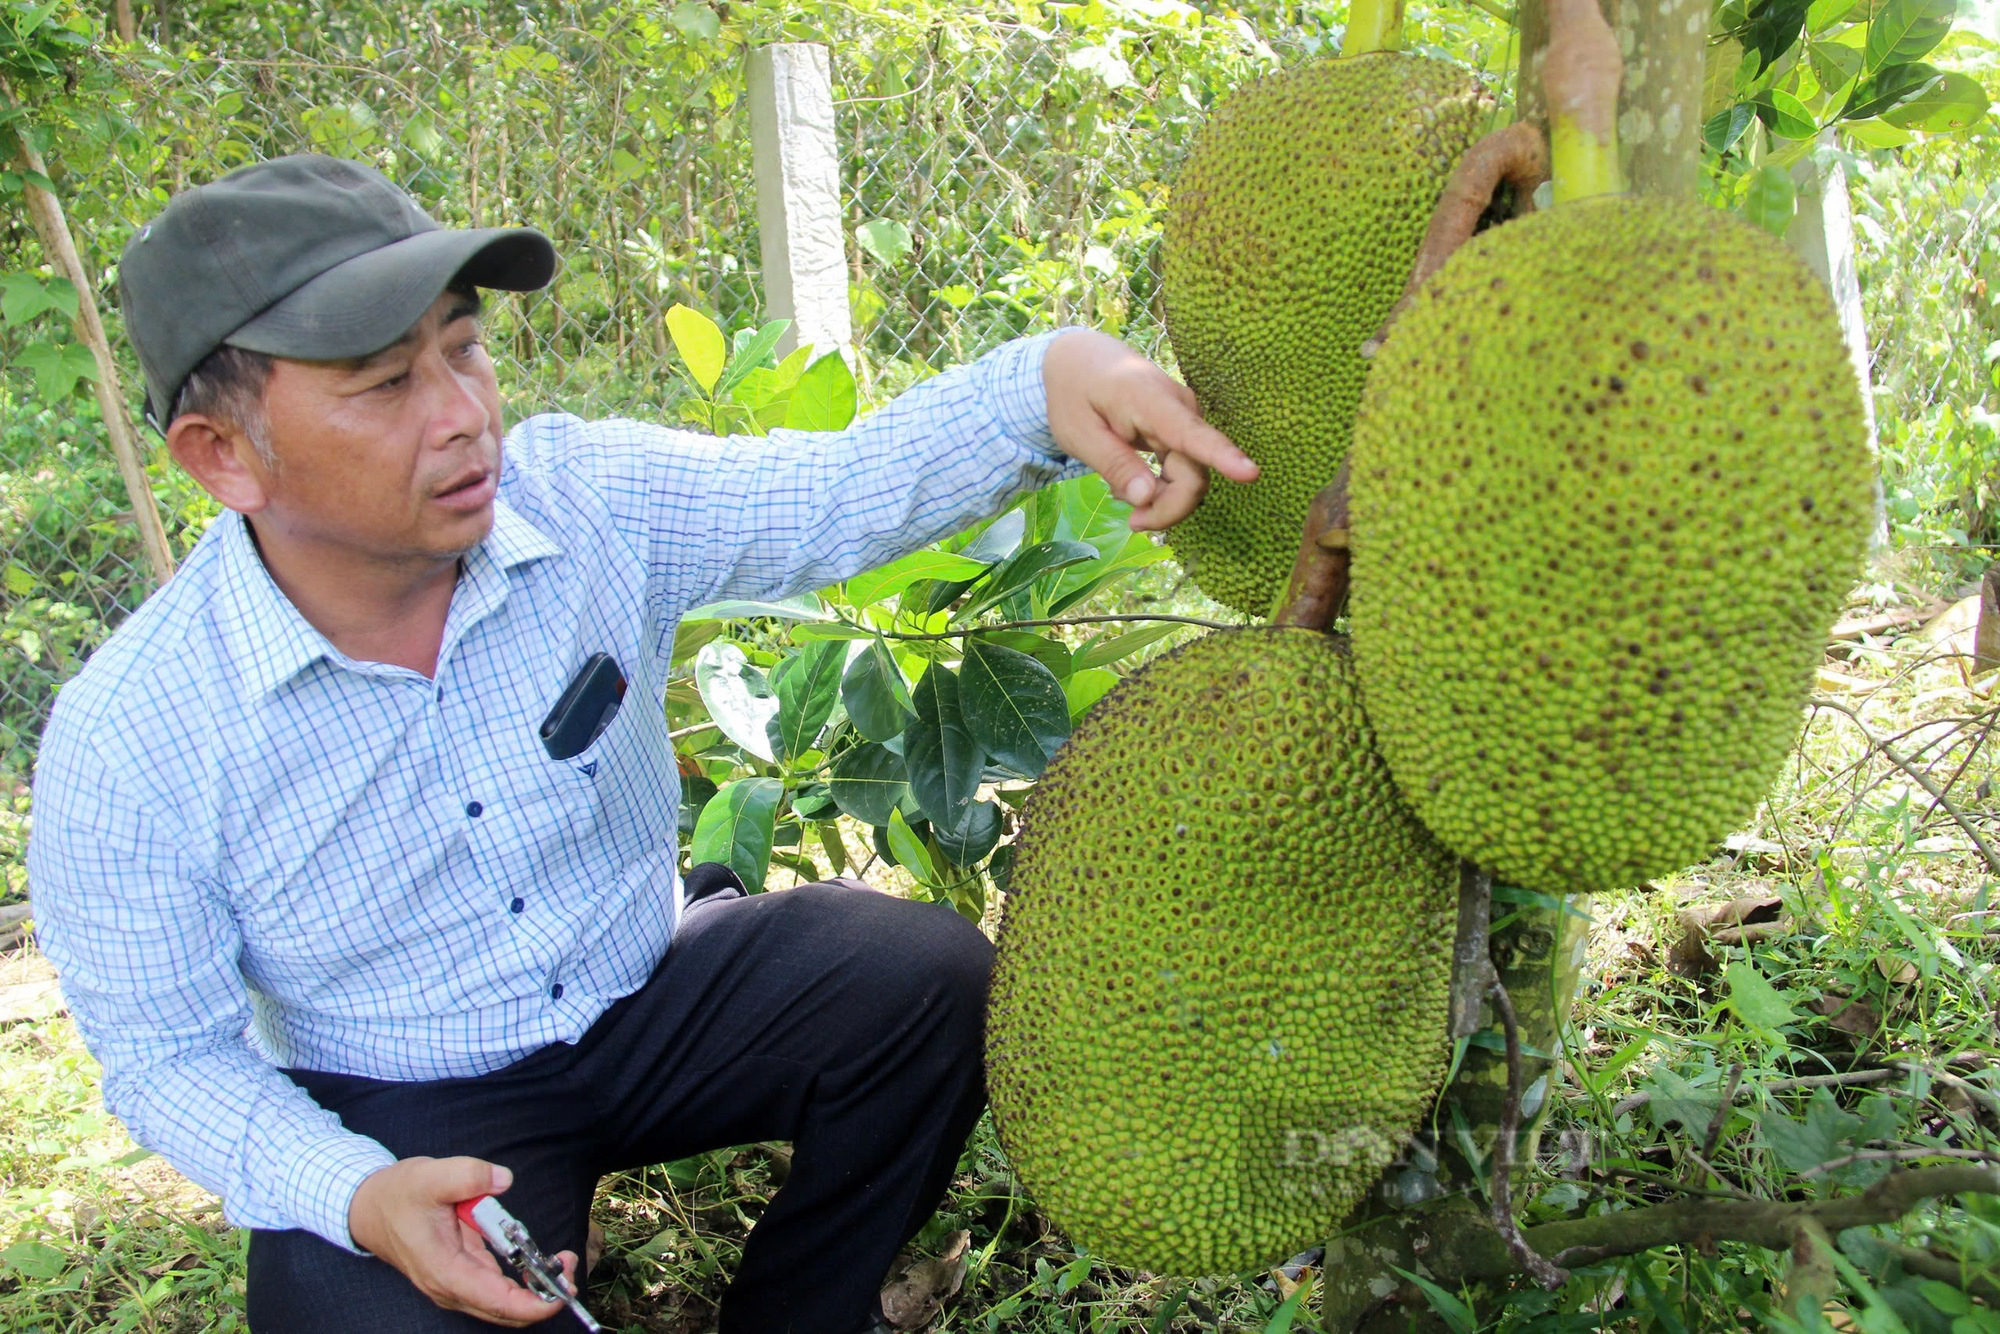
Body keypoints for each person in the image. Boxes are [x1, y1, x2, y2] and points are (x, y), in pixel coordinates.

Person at [26, 153, 1255, 1333]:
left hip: (646, 986)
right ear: (222, 454)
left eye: (463, 350)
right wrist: (355, 1195)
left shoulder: (584, 501)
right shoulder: (138, 732)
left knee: (919, 982)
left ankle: (800, 1314)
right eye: (385, 383)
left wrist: (1041, 381)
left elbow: (831, 491)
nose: (464, 417)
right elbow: (167, 1056)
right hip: (413, 1097)